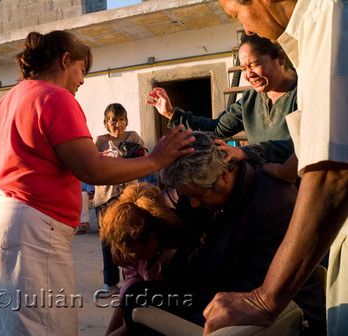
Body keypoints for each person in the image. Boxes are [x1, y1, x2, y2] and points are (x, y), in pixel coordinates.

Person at [0, 30, 195, 336]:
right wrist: (157, 159)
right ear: (66, 61)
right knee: (44, 326)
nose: (81, 81)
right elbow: (91, 167)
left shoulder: (5, 102)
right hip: (28, 227)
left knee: (5, 323)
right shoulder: (54, 96)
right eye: (81, 70)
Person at [202, 1, 348, 335]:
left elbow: (332, 171)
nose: (246, 26)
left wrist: (264, 299)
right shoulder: (254, 99)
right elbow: (326, 134)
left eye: (237, 13)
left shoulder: (328, 16)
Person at [122, 132, 325, 335]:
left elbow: (260, 289)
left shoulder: (271, 204)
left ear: (224, 175)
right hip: (215, 289)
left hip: (276, 312)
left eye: (198, 196)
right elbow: (170, 201)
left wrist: (192, 324)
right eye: (188, 196)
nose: (193, 204)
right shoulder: (199, 189)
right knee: (136, 296)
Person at [148, 33, 297, 165]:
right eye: (244, 69)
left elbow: (299, 145)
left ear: (281, 58)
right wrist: (171, 113)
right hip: (265, 183)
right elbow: (216, 128)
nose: (249, 75)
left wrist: (245, 152)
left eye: (255, 65)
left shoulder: (304, 91)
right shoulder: (250, 99)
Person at [99, 183, 181, 336]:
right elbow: (126, 295)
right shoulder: (133, 251)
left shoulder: (174, 259)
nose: (128, 256)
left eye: (132, 251)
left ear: (153, 239)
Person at [94, 103, 147, 298]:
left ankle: (132, 281)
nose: (118, 124)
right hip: (106, 196)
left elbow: (145, 156)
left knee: (129, 238)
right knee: (107, 241)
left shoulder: (133, 137)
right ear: (106, 123)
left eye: (121, 119)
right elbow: (91, 165)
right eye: (113, 120)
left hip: (128, 195)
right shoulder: (99, 141)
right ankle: (111, 284)